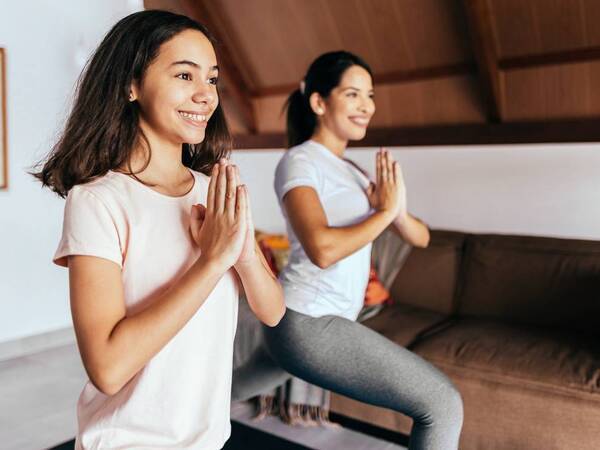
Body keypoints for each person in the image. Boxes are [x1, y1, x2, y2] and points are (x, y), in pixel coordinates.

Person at [33, 10, 284, 450]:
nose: (205, 95)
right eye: (185, 75)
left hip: (208, 439)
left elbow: (273, 311)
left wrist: (240, 252)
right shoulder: (98, 201)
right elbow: (108, 369)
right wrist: (211, 261)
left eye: (212, 80)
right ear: (131, 85)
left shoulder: (214, 189)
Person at [264, 51, 464, 450]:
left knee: (228, 389)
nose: (366, 106)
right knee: (442, 404)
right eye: (353, 94)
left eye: (370, 95)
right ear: (319, 102)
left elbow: (421, 237)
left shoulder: (352, 170)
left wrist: (394, 210)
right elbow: (322, 247)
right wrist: (384, 212)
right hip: (306, 321)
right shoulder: (299, 161)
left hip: (307, 320)